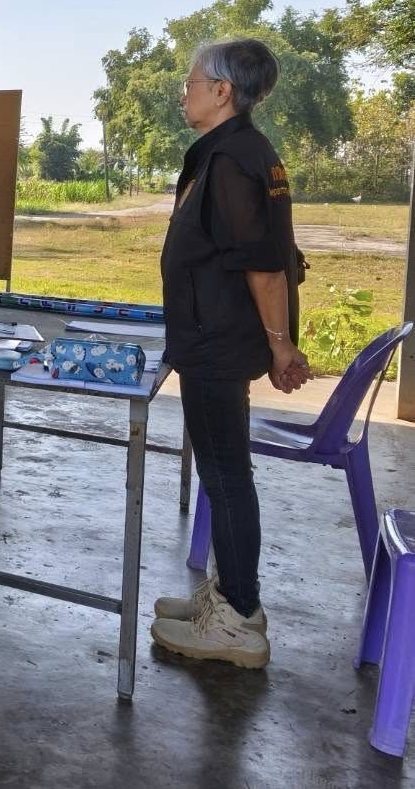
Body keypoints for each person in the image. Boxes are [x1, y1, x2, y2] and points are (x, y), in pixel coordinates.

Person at [150, 38, 310, 669]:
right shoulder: (235, 151)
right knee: (224, 472)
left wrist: (280, 344)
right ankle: (230, 596)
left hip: (218, 341)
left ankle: (238, 621)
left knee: (225, 476)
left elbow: (263, 265)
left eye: (192, 82)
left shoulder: (234, 159)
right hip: (212, 334)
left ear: (222, 91)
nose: (183, 92)